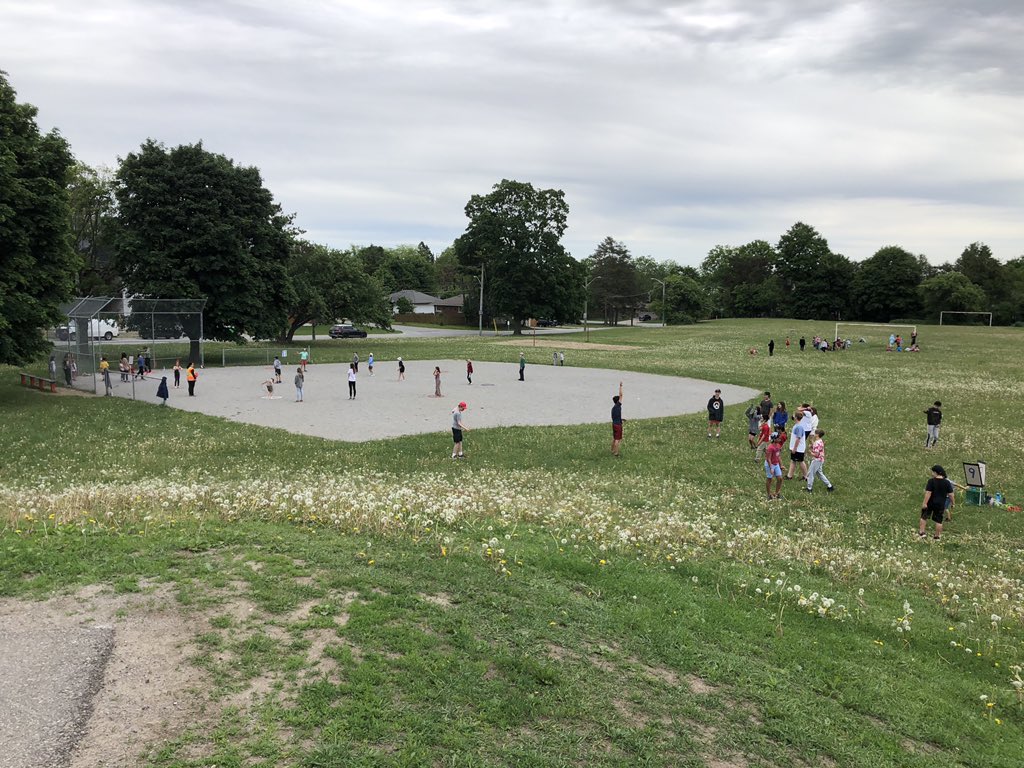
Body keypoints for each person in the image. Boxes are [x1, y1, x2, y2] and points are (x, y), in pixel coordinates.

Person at [919, 465, 951, 540]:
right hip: (940, 504)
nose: (932, 474)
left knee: (924, 517)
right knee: (939, 521)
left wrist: (924, 503)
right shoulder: (947, 482)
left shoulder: (931, 481)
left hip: (930, 503)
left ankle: (922, 533)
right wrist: (953, 503)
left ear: (936, 472)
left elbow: (928, 493)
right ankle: (937, 536)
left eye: (933, 472)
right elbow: (951, 494)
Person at [785, 410, 807, 481]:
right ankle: (789, 476)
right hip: (795, 448)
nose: (792, 416)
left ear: (796, 417)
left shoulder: (799, 427)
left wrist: (794, 448)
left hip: (798, 449)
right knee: (793, 461)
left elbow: (798, 438)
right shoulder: (796, 425)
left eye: (794, 415)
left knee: (801, 462)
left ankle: (806, 476)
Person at [764, 432, 784, 500]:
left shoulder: (778, 446)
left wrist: (781, 465)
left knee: (780, 478)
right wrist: (771, 468)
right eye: (778, 438)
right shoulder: (770, 447)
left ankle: (777, 493)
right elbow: (768, 459)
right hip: (770, 464)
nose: (779, 439)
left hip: (776, 464)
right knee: (769, 479)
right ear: (774, 439)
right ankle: (769, 494)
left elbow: (778, 456)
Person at [611, 382, 624, 457]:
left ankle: (612, 450)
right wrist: (620, 386)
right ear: (618, 401)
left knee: (614, 438)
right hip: (618, 425)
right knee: (617, 439)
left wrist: (621, 419)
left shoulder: (614, 408)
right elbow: (621, 395)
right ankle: (616, 453)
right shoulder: (618, 405)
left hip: (614, 424)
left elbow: (615, 417)